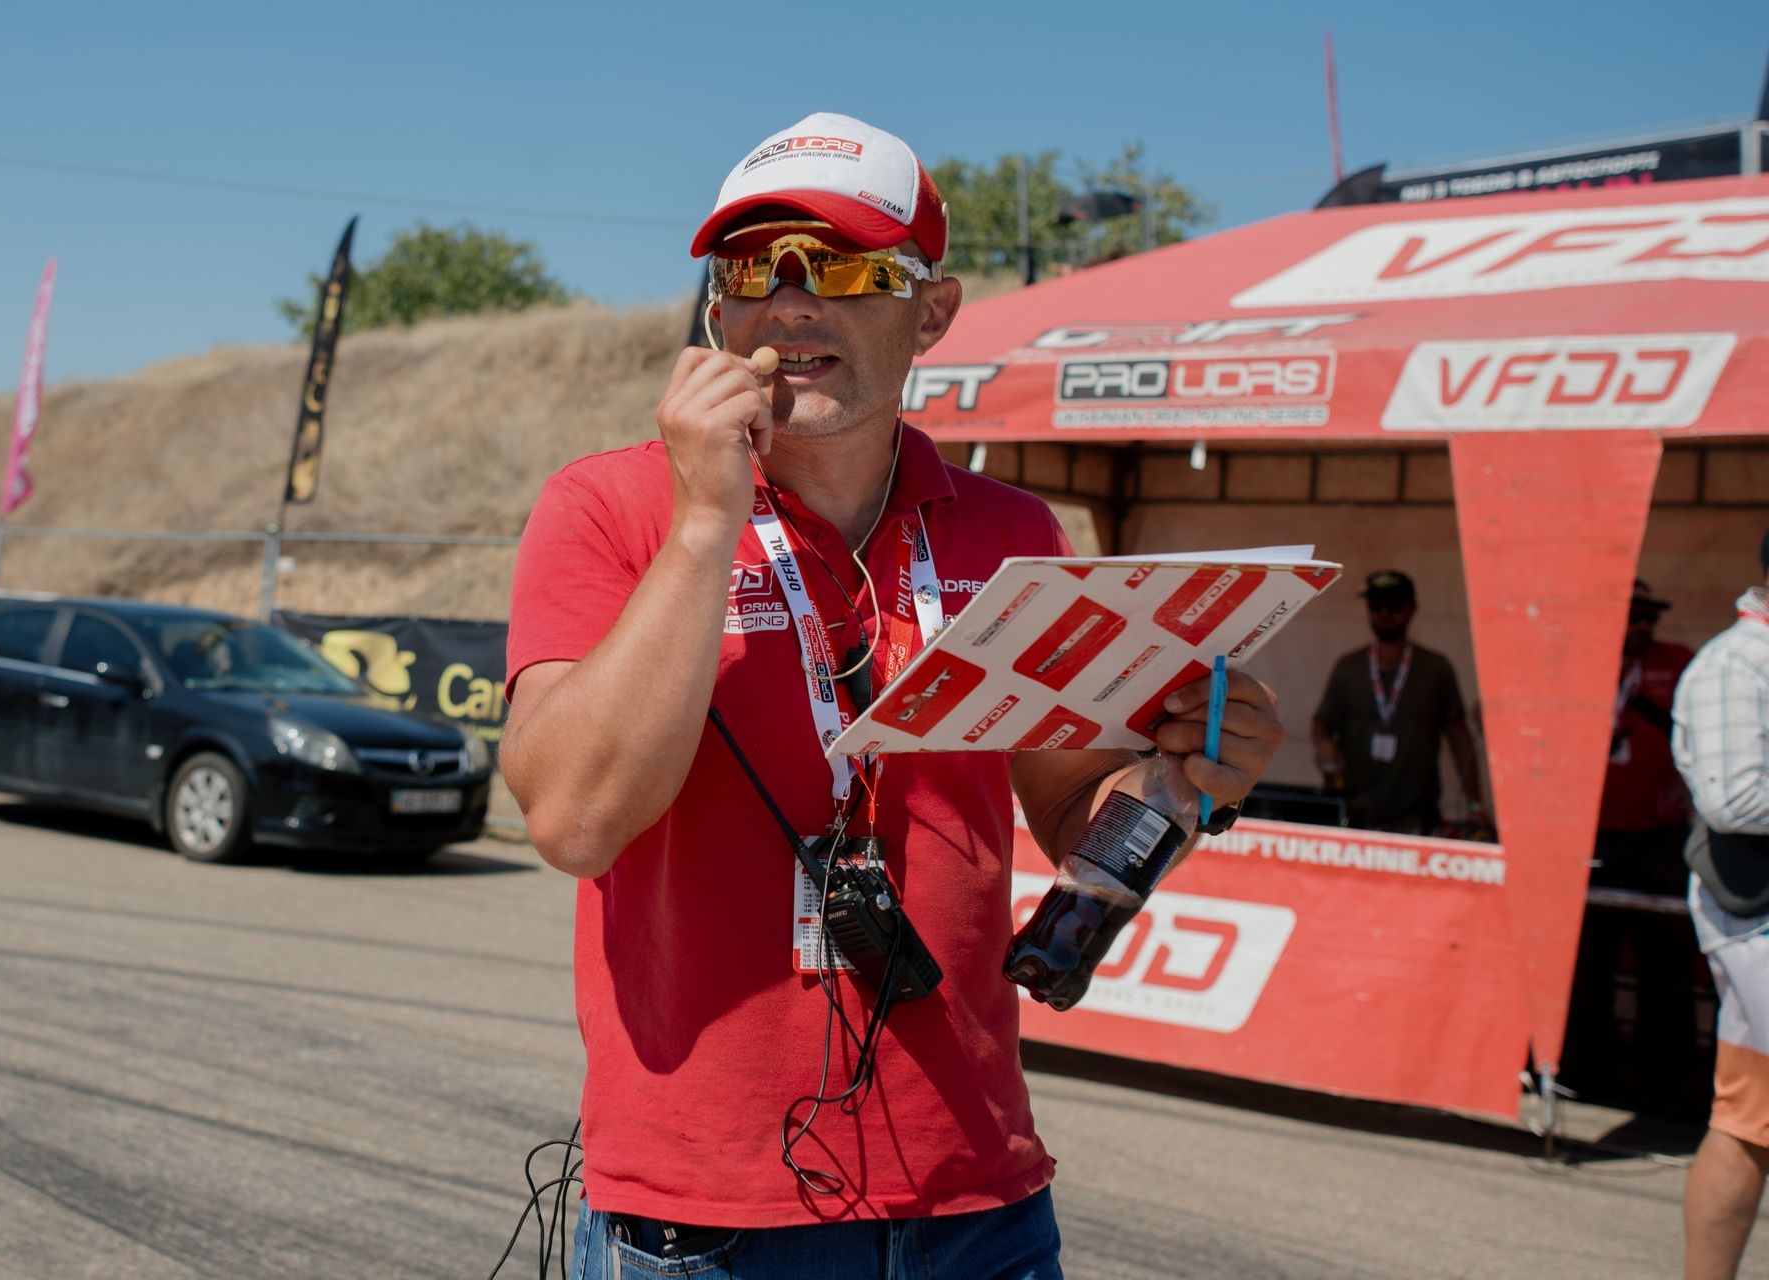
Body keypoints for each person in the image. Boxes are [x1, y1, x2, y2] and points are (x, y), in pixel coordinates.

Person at [499, 112, 1285, 1279]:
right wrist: (709, 519)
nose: (792, 302)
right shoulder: (612, 506)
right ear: (718, 310)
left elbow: (1074, 808)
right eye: (754, 267)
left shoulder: (1016, 534)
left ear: (933, 312)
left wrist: (1181, 779)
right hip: (708, 1217)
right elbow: (573, 818)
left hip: (980, 1198)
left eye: (848, 266)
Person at [1561, 581, 1701, 1113]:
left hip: (1659, 836)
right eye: (1632, 616)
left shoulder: (1679, 663)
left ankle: (1668, 1085)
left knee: (1665, 964)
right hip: (1592, 833)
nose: (1642, 626)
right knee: (1589, 960)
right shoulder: (1580, 665)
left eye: (1649, 617)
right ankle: (1584, 1073)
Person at [1678, 532, 1769, 1280]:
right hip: (1755, 917)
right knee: (1747, 1122)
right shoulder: (1735, 664)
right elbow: (1733, 799)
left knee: (1749, 1122)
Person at [1310, 569, 1485, 835]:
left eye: (1394, 606)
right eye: (1376, 606)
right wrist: (1324, 744)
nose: (1384, 614)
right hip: (1356, 814)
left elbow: (1459, 735)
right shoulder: (1349, 667)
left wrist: (1475, 805)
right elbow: (1322, 725)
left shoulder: (1436, 668)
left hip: (1418, 818)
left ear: (1411, 609)